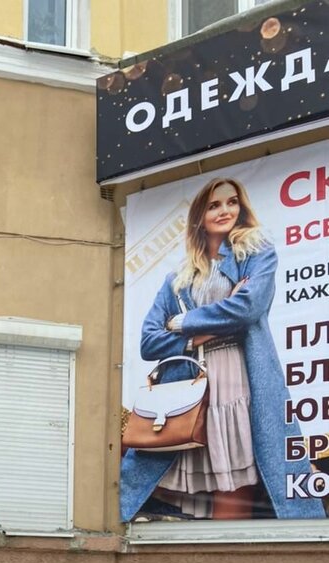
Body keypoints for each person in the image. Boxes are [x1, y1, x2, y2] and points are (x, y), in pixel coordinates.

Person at [121, 177, 325, 522]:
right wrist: (199, 336)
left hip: (241, 380)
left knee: (235, 479)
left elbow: (247, 309)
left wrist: (183, 322)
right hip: (189, 384)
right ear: (199, 217)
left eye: (232, 202)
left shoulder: (257, 254)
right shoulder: (177, 278)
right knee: (169, 463)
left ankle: (241, 544)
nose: (225, 210)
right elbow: (148, 341)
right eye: (214, 205)